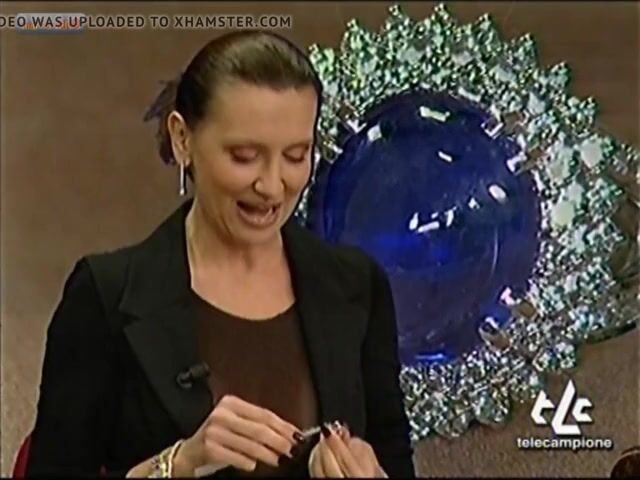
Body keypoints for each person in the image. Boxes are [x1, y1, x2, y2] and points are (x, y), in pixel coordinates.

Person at [24, 30, 415, 478]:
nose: (272, 186)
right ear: (182, 139)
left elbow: (394, 460)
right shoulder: (105, 295)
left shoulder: (357, 285)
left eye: (296, 155)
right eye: (245, 156)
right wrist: (178, 464)